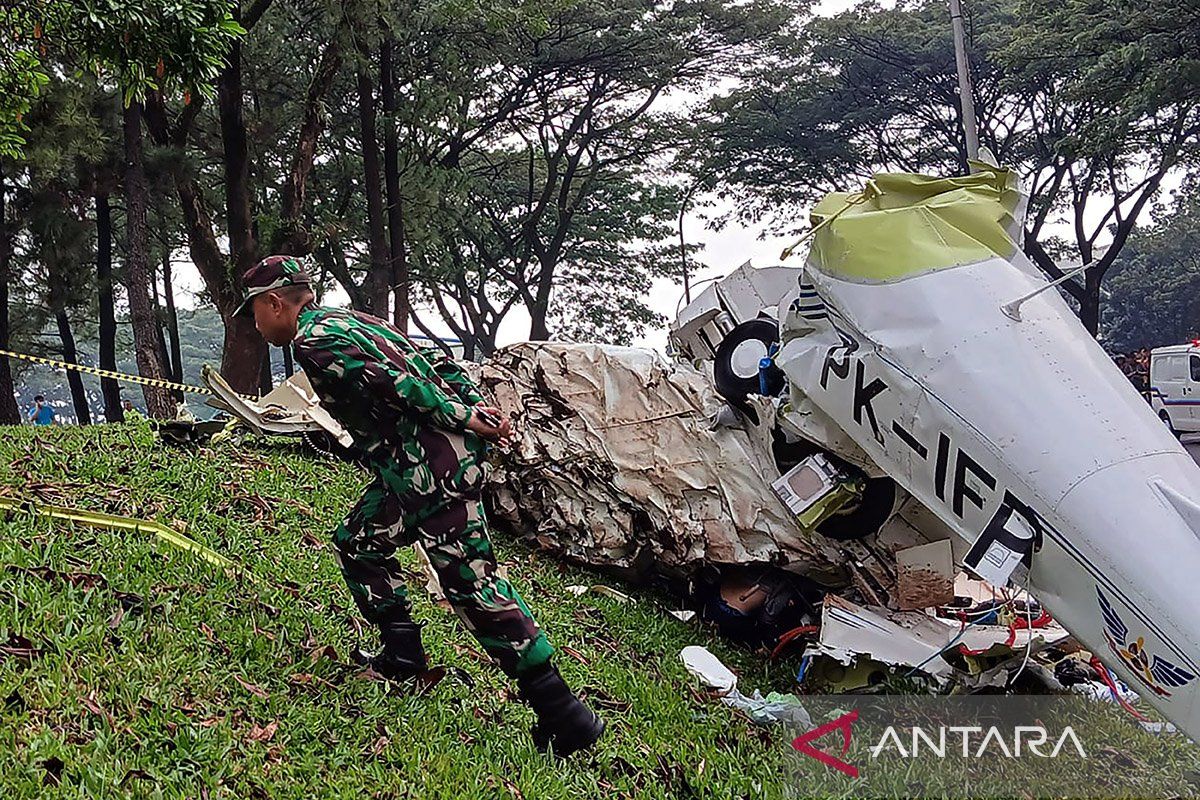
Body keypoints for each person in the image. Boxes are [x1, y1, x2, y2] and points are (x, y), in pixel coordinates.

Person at [236, 255, 604, 757]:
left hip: (434, 471)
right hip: (408, 470)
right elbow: (433, 360)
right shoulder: (353, 319)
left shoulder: (313, 340)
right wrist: (475, 402)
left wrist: (468, 415)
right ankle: (404, 658)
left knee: (472, 585)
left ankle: (566, 716)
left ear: (275, 303)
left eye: (254, 311)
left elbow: (400, 385)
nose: (254, 324)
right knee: (358, 542)